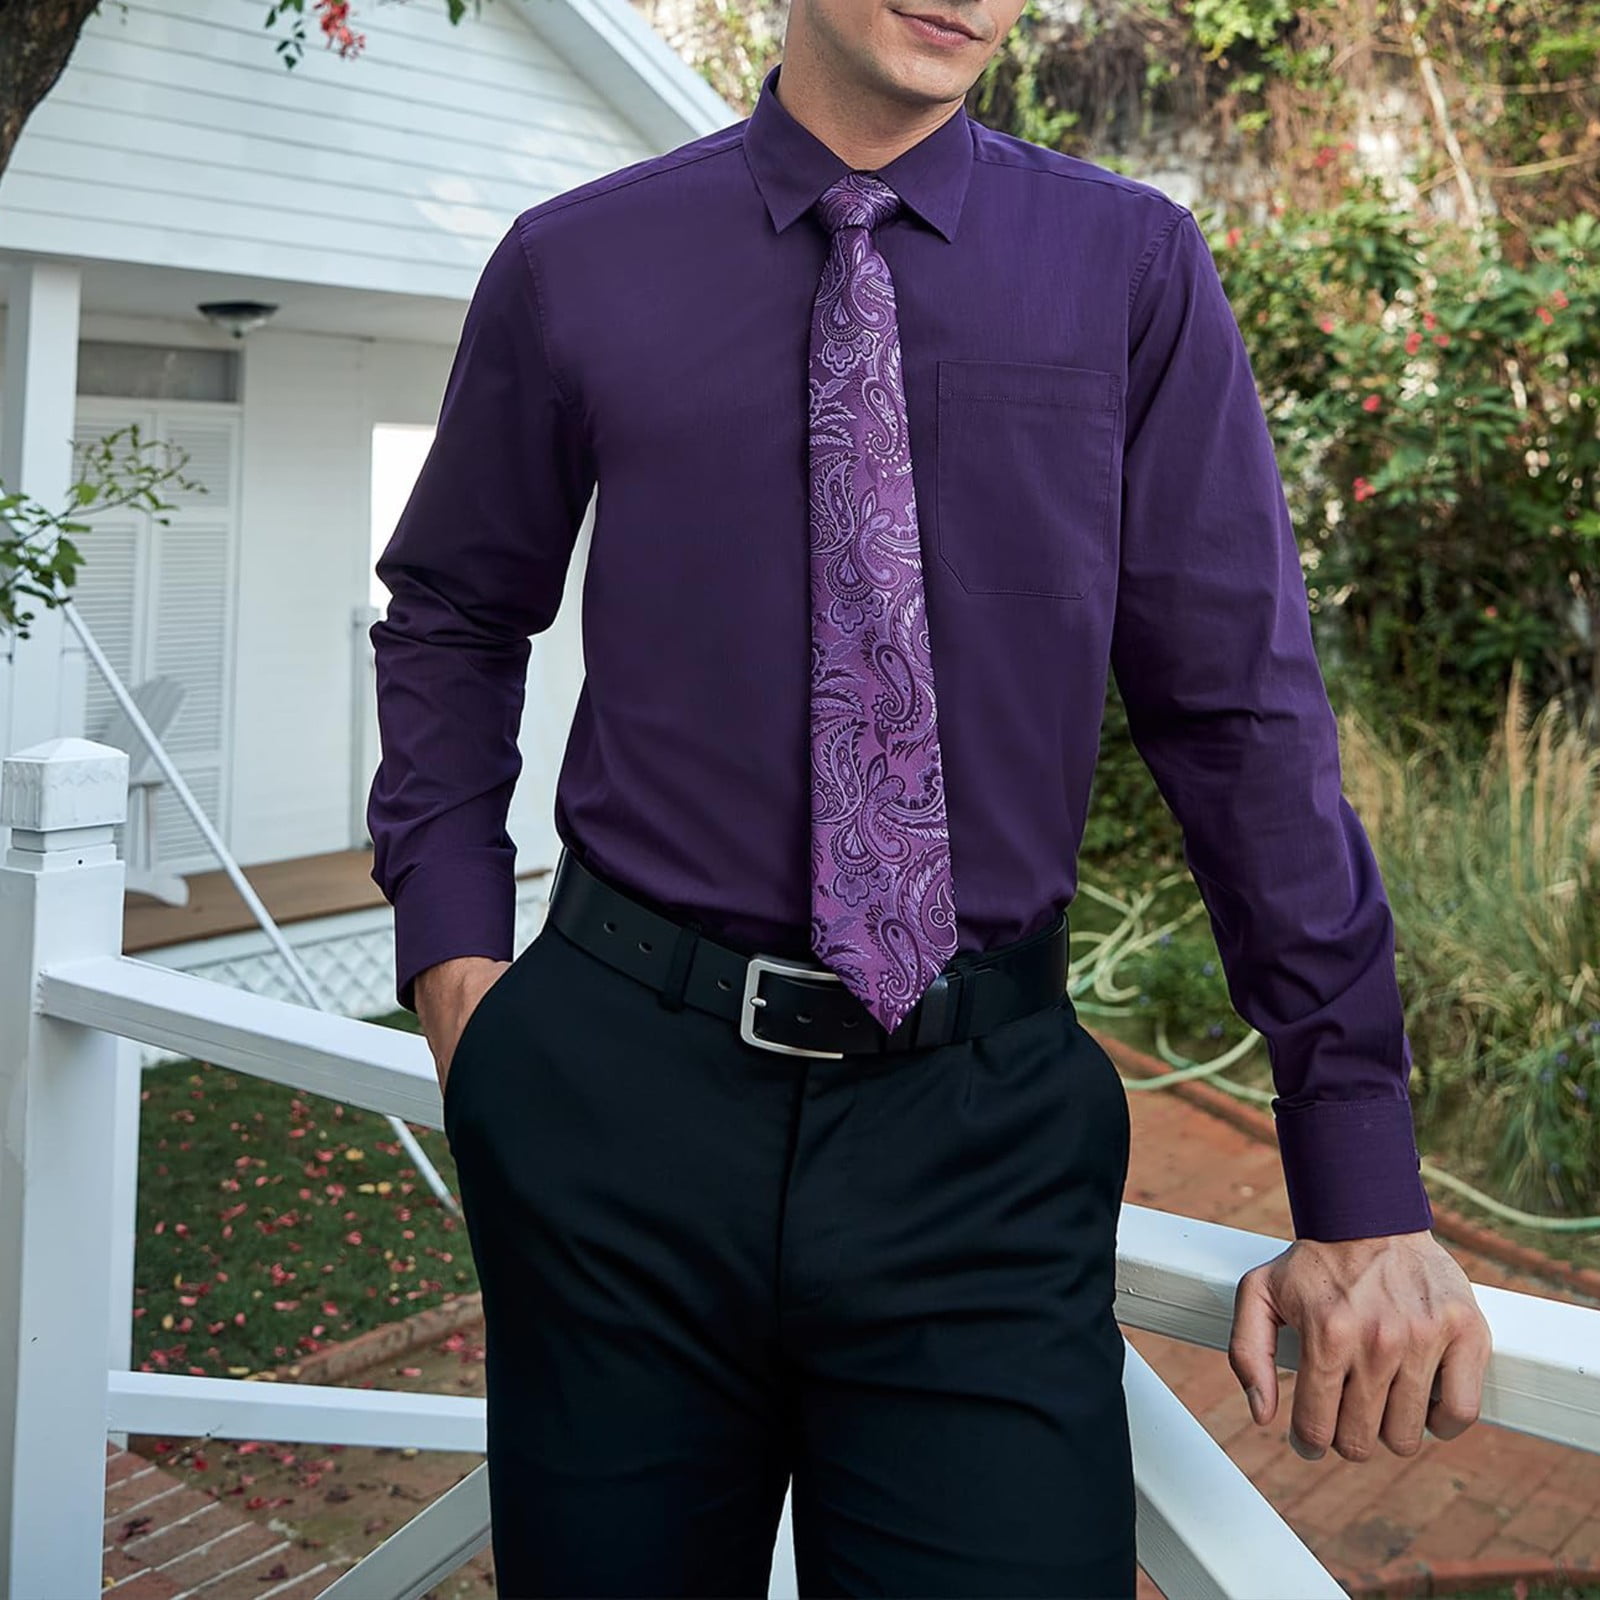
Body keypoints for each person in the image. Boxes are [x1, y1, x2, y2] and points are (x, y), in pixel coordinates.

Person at [367, 1, 1494, 1593]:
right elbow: (454, 609)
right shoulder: (579, 259)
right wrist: (453, 952)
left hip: (979, 1141)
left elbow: (1238, 715)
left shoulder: (1129, 267)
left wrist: (1358, 1174)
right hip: (617, 1114)